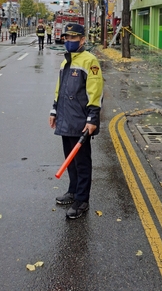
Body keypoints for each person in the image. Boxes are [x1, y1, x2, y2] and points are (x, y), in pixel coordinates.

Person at [49, 23, 103, 219]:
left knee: (82, 162)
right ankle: (73, 190)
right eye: (67, 38)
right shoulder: (67, 62)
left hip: (81, 121)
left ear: (82, 40)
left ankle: (82, 200)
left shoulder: (90, 61)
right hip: (66, 118)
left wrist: (92, 118)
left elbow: (95, 92)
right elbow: (60, 89)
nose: (69, 41)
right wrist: (54, 110)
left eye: (73, 38)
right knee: (69, 160)